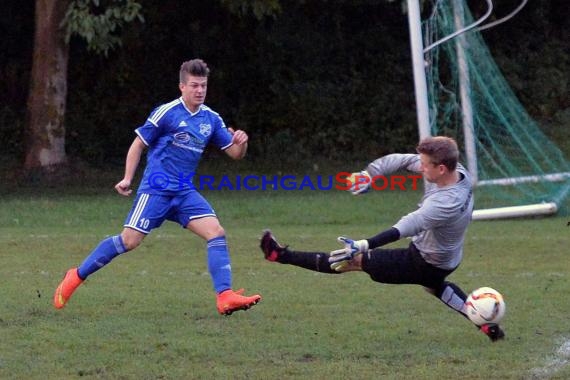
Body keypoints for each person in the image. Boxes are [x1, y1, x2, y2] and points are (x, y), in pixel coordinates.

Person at [54, 58, 261, 315]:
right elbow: (138, 144)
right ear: (182, 87)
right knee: (129, 241)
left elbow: (235, 154)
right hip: (155, 190)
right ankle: (76, 275)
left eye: (204, 86)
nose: (200, 91)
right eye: (194, 85)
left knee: (216, 232)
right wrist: (128, 178)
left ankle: (225, 296)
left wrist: (242, 142)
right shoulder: (167, 112)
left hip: (184, 192)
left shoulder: (212, 119)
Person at [260, 136, 505, 341]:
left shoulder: (446, 203)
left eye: (425, 165)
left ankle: (279, 255)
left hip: (423, 260)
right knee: (435, 286)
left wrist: (365, 243)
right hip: (446, 259)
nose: (420, 168)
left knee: (350, 259)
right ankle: (484, 323)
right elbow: (400, 160)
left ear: (441, 169)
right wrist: (370, 174)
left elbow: (407, 226)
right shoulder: (458, 172)